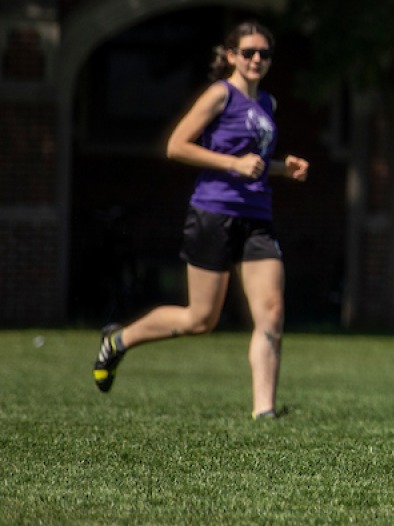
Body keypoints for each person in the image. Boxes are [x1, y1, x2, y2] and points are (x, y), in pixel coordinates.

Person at [92, 21, 310, 420]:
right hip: (214, 212)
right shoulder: (219, 95)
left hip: (257, 217)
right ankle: (118, 339)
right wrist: (233, 163)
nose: (257, 59)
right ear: (231, 56)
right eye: (248, 52)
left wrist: (281, 169)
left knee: (272, 311)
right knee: (200, 319)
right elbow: (177, 146)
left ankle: (265, 410)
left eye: (264, 53)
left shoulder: (268, 104)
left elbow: (253, 162)